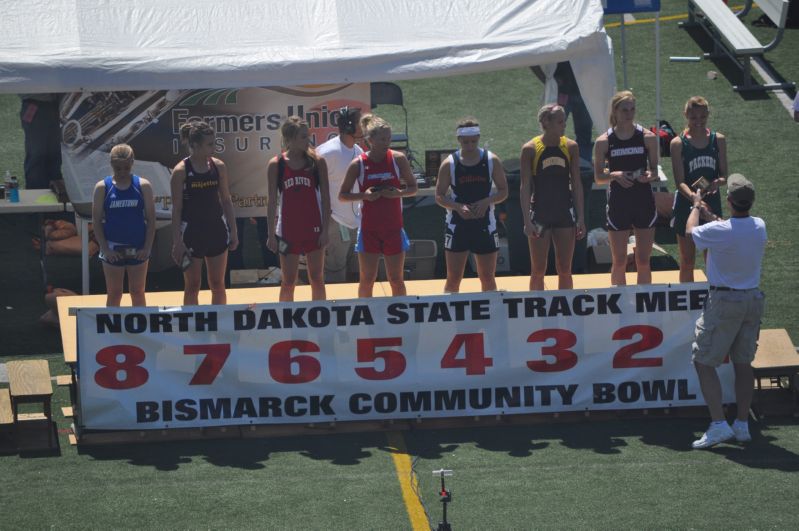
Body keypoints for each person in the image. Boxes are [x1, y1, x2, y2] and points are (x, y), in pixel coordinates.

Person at [687, 174, 766, 449]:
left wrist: (697, 207)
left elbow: (691, 233)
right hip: (752, 300)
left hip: (724, 302)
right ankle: (741, 424)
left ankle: (719, 424)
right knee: (743, 364)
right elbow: (730, 229)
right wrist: (712, 215)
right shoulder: (759, 226)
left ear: (730, 201)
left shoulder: (721, 231)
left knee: (703, 361)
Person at [339, 114, 417, 298]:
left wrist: (398, 193)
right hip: (369, 230)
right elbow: (342, 195)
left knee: (396, 279)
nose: (386, 142)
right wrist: (364, 196)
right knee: (367, 279)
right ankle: (365, 317)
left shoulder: (398, 159)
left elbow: (413, 188)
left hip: (393, 228)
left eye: (389, 138)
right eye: (382, 139)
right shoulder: (358, 164)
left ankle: (401, 316)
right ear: (370, 140)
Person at [593, 91, 659, 286]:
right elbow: (598, 178)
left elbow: (654, 170)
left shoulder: (647, 137)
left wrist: (649, 176)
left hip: (643, 202)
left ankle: (643, 304)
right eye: (624, 110)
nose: (629, 114)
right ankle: (620, 308)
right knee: (620, 260)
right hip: (619, 204)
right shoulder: (604, 141)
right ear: (615, 111)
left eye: (632, 109)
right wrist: (615, 175)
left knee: (644, 260)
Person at [435, 118, 508, 293]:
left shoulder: (491, 160)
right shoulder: (450, 164)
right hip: (457, 225)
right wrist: (458, 207)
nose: (470, 145)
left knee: (487, 277)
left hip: (485, 224)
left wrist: (487, 202)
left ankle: (491, 316)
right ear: (459, 140)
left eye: (474, 141)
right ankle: (450, 317)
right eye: (466, 142)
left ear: (479, 138)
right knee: (453, 278)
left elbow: (504, 191)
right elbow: (439, 195)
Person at [170, 121, 238, 305]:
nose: (214, 147)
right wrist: (177, 241)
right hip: (192, 234)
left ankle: (220, 327)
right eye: (209, 144)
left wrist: (234, 231)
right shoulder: (180, 171)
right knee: (192, 285)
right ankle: (193, 331)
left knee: (217, 284)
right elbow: (176, 209)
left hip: (216, 231)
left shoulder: (219, 166)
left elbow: (226, 200)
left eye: (214, 143)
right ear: (195, 145)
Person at [520, 104, 586, 290]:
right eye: (559, 121)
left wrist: (580, 217)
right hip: (540, 215)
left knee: (565, 269)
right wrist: (527, 220)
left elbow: (577, 184)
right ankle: (536, 312)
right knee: (538, 269)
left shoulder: (571, 147)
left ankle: (566, 312)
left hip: (564, 215)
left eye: (564, 121)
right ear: (545, 122)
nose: (564, 125)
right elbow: (525, 187)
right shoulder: (530, 149)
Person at [266, 116, 331, 301]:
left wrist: (326, 230)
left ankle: (321, 320)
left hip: (314, 229)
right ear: (290, 139)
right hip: (287, 232)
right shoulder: (276, 164)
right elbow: (271, 202)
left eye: (307, 135)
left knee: (317, 278)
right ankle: (285, 323)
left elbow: (326, 199)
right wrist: (271, 234)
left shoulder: (318, 162)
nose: (308, 140)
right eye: (303, 137)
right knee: (288, 280)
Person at [670, 96, 727, 283]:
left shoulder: (718, 140)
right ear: (685, 115)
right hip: (687, 204)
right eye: (693, 117)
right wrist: (695, 199)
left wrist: (716, 183)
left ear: (708, 115)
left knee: (713, 259)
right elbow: (679, 182)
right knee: (687, 260)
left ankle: (714, 298)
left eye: (702, 117)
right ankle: (686, 305)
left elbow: (724, 175)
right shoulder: (678, 143)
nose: (698, 121)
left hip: (711, 204)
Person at [91, 144, 156, 307]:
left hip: (138, 248)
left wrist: (147, 248)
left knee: (137, 291)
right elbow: (96, 221)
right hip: (113, 249)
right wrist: (105, 248)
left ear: (132, 163)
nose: (121, 172)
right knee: (114, 294)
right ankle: (112, 331)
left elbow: (151, 220)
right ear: (111, 165)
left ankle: (142, 330)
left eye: (126, 168)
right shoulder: (102, 188)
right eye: (117, 168)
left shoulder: (143, 186)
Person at [316, 106, 364, 283]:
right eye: (361, 123)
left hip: (355, 222)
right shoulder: (327, 152)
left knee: (355, 273)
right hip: (335, 221)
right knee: (335, 273)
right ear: (350, 125)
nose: (364, 127)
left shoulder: (358, 151)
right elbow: (314, 187)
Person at [19, 93, 63, 189]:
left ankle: (56, 192)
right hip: (34, 104)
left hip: (54, 105)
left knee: (55, 154)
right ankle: (35, 194)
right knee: (37, 155)